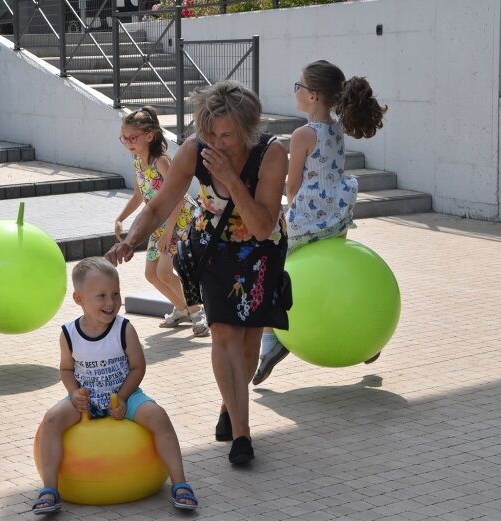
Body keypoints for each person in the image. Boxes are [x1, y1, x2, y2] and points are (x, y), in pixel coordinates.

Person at [106, 81, 291, 463]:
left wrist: (232, 179)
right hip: (214, 249)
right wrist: (132, 240)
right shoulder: (194, 150)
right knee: (224, 332)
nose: (216, 143)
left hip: (260, 249)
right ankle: (242, 436)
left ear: (247, 128)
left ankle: (230, 406)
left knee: (249, 342)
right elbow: (158, 207)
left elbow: (260, 225)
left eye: (226, 134)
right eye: (209, 133)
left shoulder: (272, 154)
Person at [252, 60, 388, 386]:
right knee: (337, 277)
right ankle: (366, 335)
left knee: (271, 271)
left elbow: (292, 185)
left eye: (298, 86)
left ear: (312, 96)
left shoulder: (302, 134)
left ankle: (271, 343)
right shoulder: (337, 129)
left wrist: (283, 215)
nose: (294, 91)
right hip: (337, 216)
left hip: (307, 219)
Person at [33, 257, 197, 513]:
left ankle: (180, 483)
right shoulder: (69, 333)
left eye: (115, 294)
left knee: (159, 417)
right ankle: (50, 490)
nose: (110, 303)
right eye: (101, 296)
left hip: (125, 394)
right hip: (85, 399)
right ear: (79, 299)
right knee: (51, 420)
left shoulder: (124, 328)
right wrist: (73, 392)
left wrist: (123, 396)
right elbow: (66, 369)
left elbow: (137, 367)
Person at [114, 106, 209, 337]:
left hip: (180, 220)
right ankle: (181, 308)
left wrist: (168, 232)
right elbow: (139, 195)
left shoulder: (161, 161)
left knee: (166, 272)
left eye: (132, 138)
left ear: (150, 136)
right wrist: (120, 218)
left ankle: (199, 313)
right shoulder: (138, 162)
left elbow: (176, 196)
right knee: (151, 274)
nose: (127, 143)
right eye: (123, 138)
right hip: (160, 224)